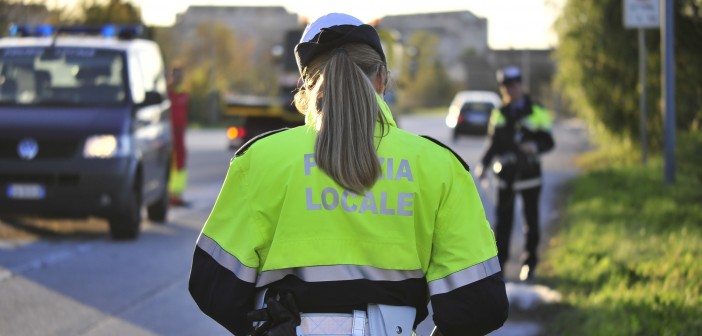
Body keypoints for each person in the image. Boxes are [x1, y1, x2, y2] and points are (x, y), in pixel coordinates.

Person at [189, 13, 508, 336]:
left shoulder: (259, 160)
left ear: (306, 86)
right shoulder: (439, 167)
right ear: (381, 79)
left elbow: (211, 286)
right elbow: (480, 304)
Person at [477, 66, 555, 282]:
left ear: (521, 85)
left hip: (530, 174)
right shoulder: (499, 113)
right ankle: (500, 266)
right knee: (503, 223)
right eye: (506, 87)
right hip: (506, 176)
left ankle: (529, 265)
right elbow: (492, 143)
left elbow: (549, 141)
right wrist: (483, 164)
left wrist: (534, 146)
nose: (510, 90)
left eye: (513, 85)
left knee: (531, 221)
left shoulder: (537, 110)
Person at [167, 65, 189, 206]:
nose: (178, 79)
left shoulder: (185, 95)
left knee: (180, 163)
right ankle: (168, 195)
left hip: (180, 134)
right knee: (168, 163)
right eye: (176, 75)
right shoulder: (167, 94)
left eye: (180, 76)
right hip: (168, 134)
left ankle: (177, 195)